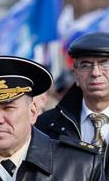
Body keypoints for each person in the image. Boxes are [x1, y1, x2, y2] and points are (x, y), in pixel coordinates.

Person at [37, 32, 109, 162]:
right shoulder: (45, 126)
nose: (95, 73)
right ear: (75, 74)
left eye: (104, 64)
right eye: (86, 65)